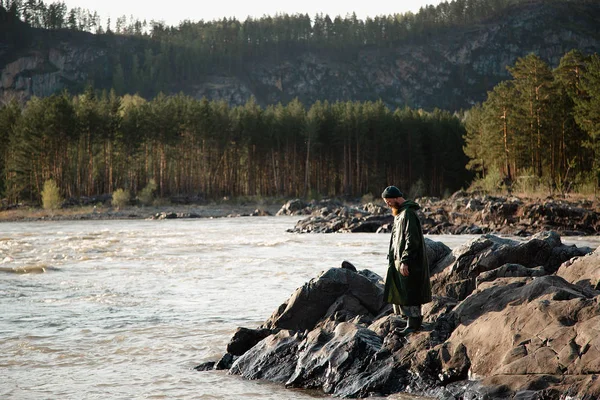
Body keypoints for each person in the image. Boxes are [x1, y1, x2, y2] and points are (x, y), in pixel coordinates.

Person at [381, 185, 432, 333]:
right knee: (404, 291)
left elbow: (412, 239)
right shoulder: (401, 213)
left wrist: (405, 260)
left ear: (397, 198)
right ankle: (411, 323)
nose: (387, 204)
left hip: (410, 262)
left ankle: (413, 325)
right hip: (400, 261)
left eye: (388, 201)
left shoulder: (408, 213)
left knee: (411, 292)